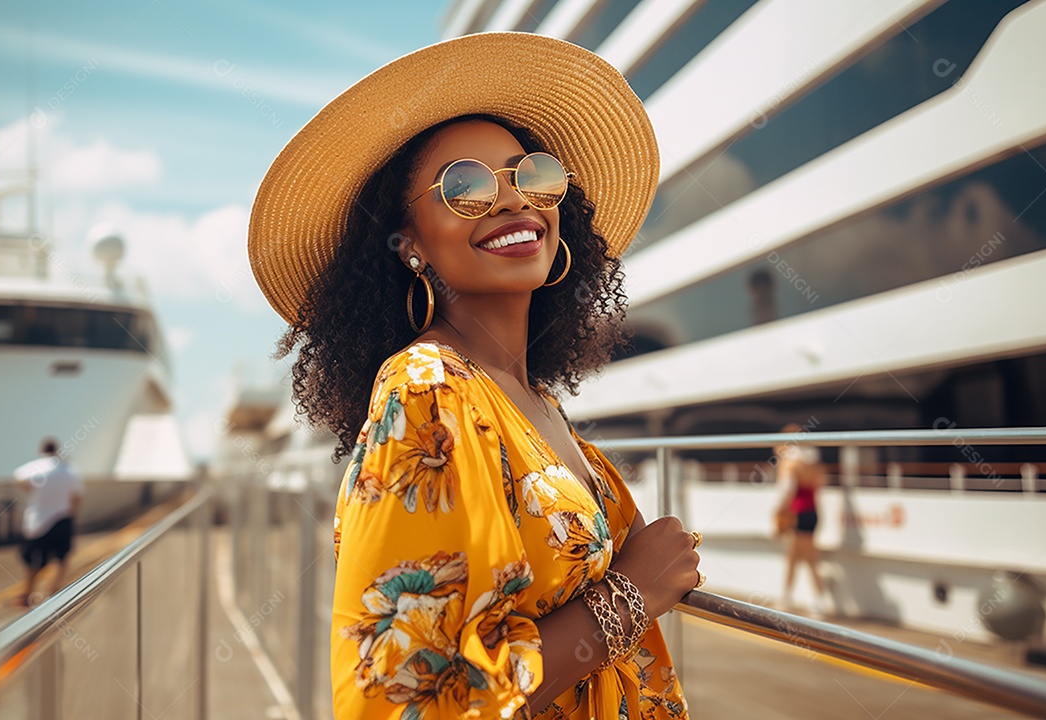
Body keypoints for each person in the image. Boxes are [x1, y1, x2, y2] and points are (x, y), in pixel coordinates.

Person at [249, 32, 702, 720]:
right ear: (407, 244)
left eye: (533, 176)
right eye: (465, 187)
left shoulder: (530, 398)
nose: (513, 201)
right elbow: (399, 698)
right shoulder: (427, 389)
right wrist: (631, 594)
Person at [12, 437, 83, 607]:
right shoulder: (69, 470)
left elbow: (18, 476)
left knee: (32, 560)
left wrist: (31, 490)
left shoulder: (37, 467)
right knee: (62, 557)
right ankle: (54, 591)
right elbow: (78, 495)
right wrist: (72, 515)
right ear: (57, 450)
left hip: (37, 521)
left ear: (42, 450)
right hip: (62, 518)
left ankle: (28, 594)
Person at [772, 423, 826, 611]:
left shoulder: (789, 463)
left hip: (798, 513)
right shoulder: (811, 463)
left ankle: (799, 599)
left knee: (801, 558)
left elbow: (787, 491)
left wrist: (779, 511)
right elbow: (819, 483)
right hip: (812, 512)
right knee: (801, 558)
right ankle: (803, 599)